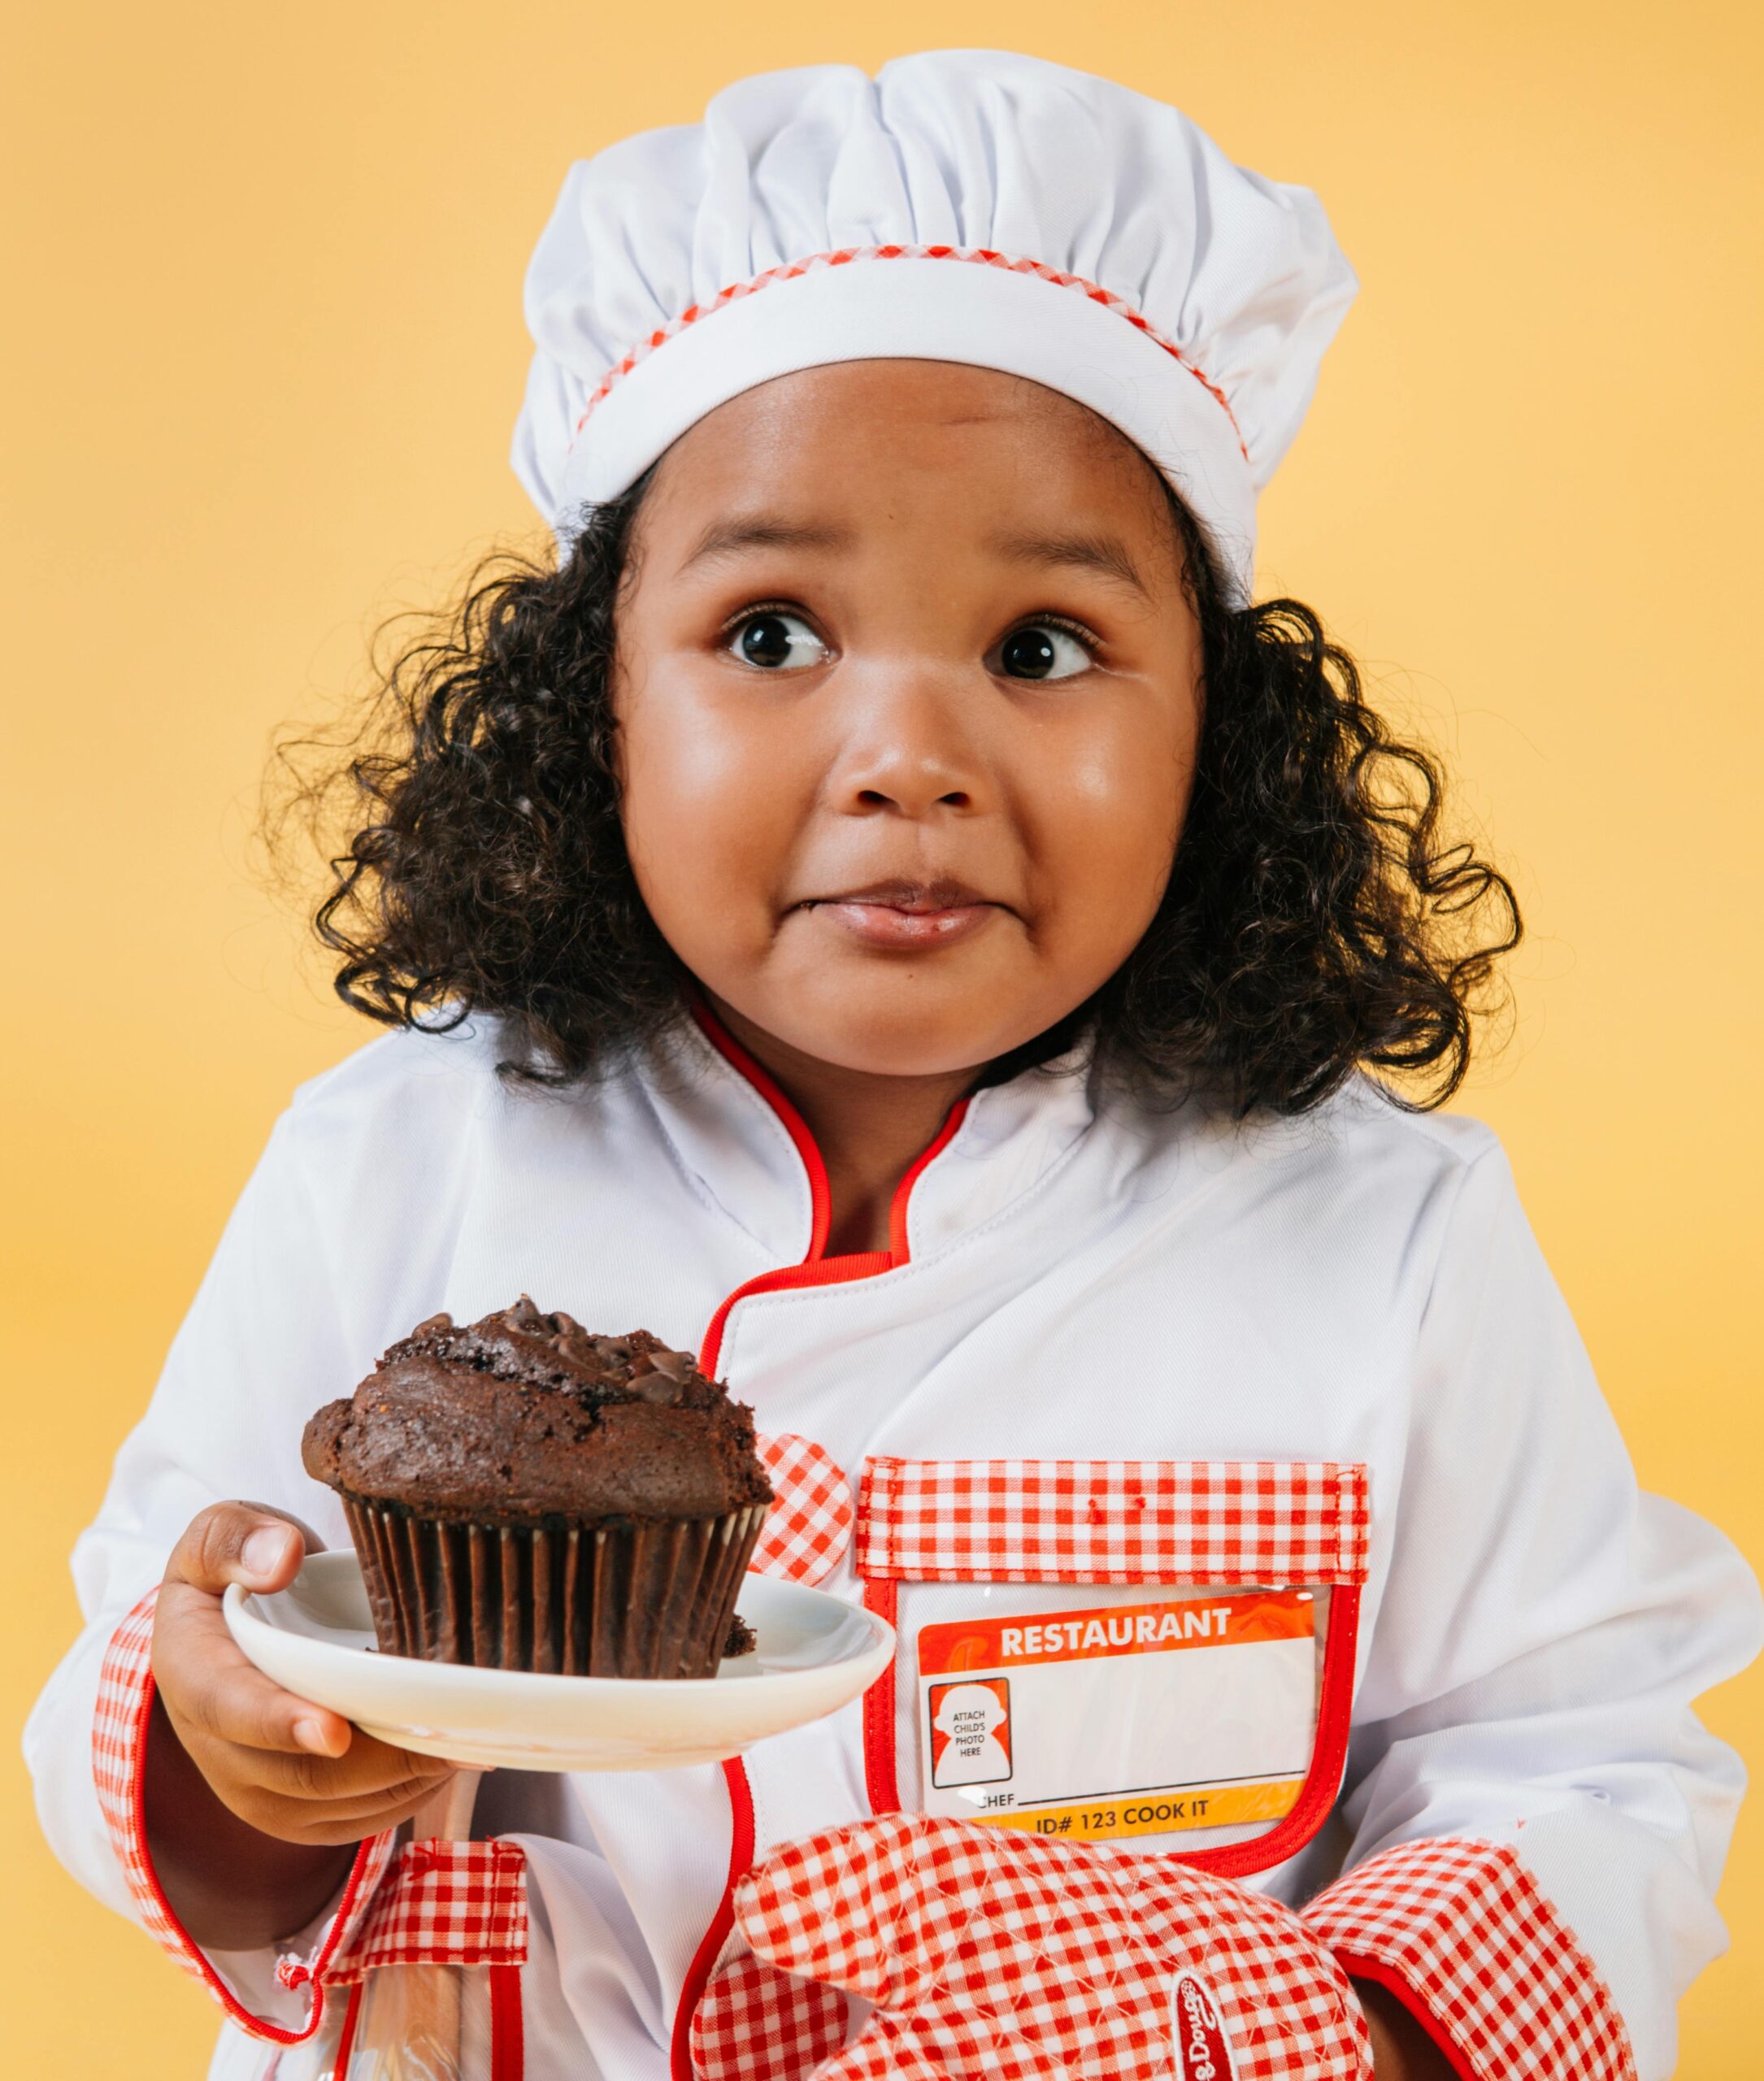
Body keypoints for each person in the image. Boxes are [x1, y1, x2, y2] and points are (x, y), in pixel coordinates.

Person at [26, 48, 1760, 2081]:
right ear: (592, 707)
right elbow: (158, 1661)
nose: (909, 752)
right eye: (772, 633)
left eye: (1039, 646)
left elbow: (1576, 1754)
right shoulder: (391, 1166)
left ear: (1220, 728)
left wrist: (1355, 2034)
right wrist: (238, 1753)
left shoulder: (1380, 1233)